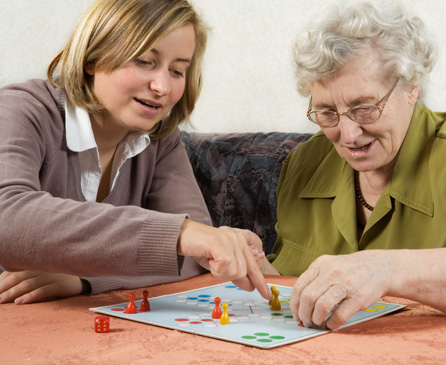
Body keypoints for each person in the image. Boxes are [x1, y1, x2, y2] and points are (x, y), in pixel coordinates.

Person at [261, 0, 446, 349]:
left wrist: (385, 270)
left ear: (411, 86)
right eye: (327, 112)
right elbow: (299, 288)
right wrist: (259, 269)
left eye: (364, 107)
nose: (348, 134)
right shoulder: (304, 165)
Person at [0, 0, 270, 304]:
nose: (162, 87)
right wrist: (179, 235)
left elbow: (197, 256)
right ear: (92, 58)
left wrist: (84, 278)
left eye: (177, 70)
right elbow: (6, 217)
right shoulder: (18, 110)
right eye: (144, 61)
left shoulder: (161, 138)